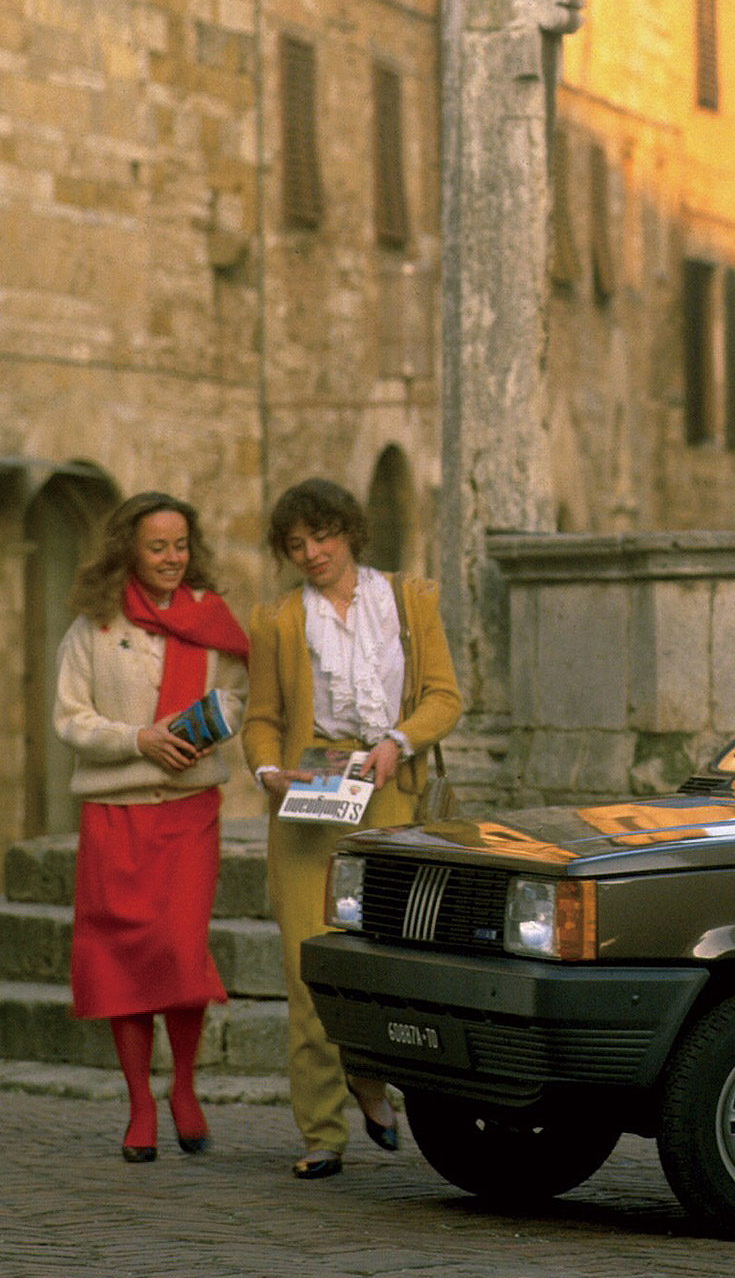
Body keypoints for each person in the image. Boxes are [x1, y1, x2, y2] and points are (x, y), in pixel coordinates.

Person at [242, 477, 462, 1178]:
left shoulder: (409, 599)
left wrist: (399, 739)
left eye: (322, 536)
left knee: (386, 966)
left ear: (350, 532)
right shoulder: (278, 620)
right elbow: (262, 720)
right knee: (309, 968)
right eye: (296, 544)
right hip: (310, 805)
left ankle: (371, 1075)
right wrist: (268, 773)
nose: (311, 552)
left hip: (390, 796)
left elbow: (444, 696)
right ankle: (322, 1132)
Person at [53, 492, 250, 1163]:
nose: (171, 558)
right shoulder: (92, 626)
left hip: (190, 810)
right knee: (123, 960)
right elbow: (69, 717)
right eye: (157, 546)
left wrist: (204, 730)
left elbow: (241, 699)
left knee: (179, 949)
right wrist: (140, 738)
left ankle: (185, 1087)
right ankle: (140, 1103)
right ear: (129, 551)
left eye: (180, 545)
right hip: (118, 812)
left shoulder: (213, 620)